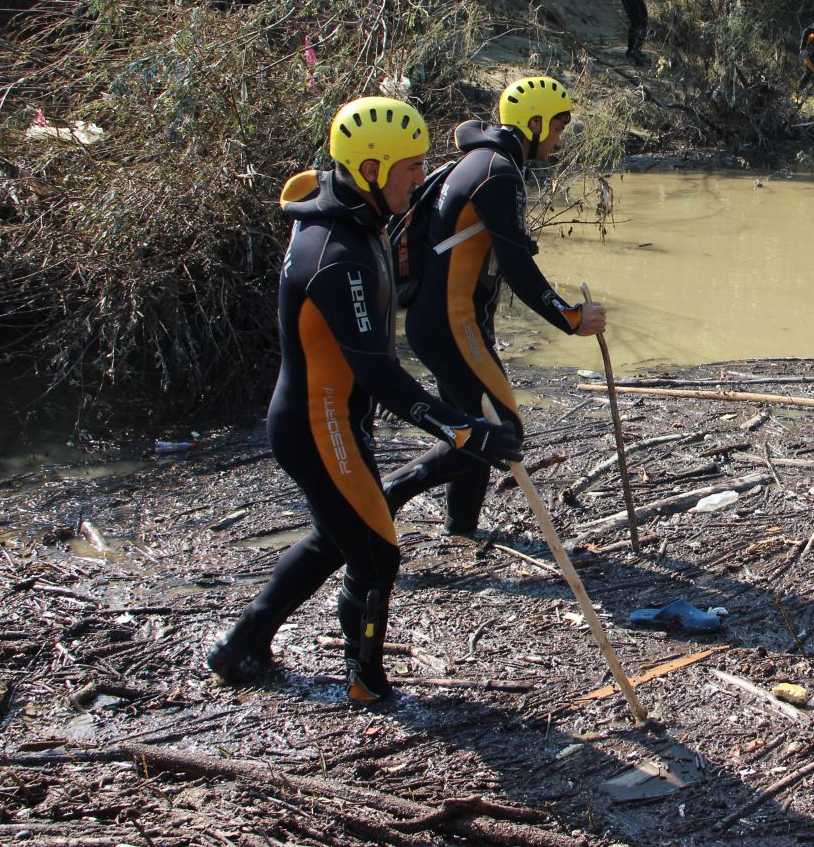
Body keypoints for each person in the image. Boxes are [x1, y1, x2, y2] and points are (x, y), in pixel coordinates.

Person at [205, 96, 522, 704]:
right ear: (372, 168)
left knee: (337, 536)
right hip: (317, 424)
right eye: (410, 167)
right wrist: (464, 429)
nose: (420, 177)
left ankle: (242, 644)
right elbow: (380, 375)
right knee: (376, 551)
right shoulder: (339, 255)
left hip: (329, 420)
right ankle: (365, 681)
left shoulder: (354, 216)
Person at [381, 75, 606, 535]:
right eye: (558, 128)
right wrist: (571, 318)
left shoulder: (484, 161)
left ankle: (460, 530)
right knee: (502, 431)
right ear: (536, 123)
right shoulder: (498, 172)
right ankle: (391, 491)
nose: (559, 138)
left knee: (476, 423)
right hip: (450, 321)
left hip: (446, 320)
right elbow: (517, 266)